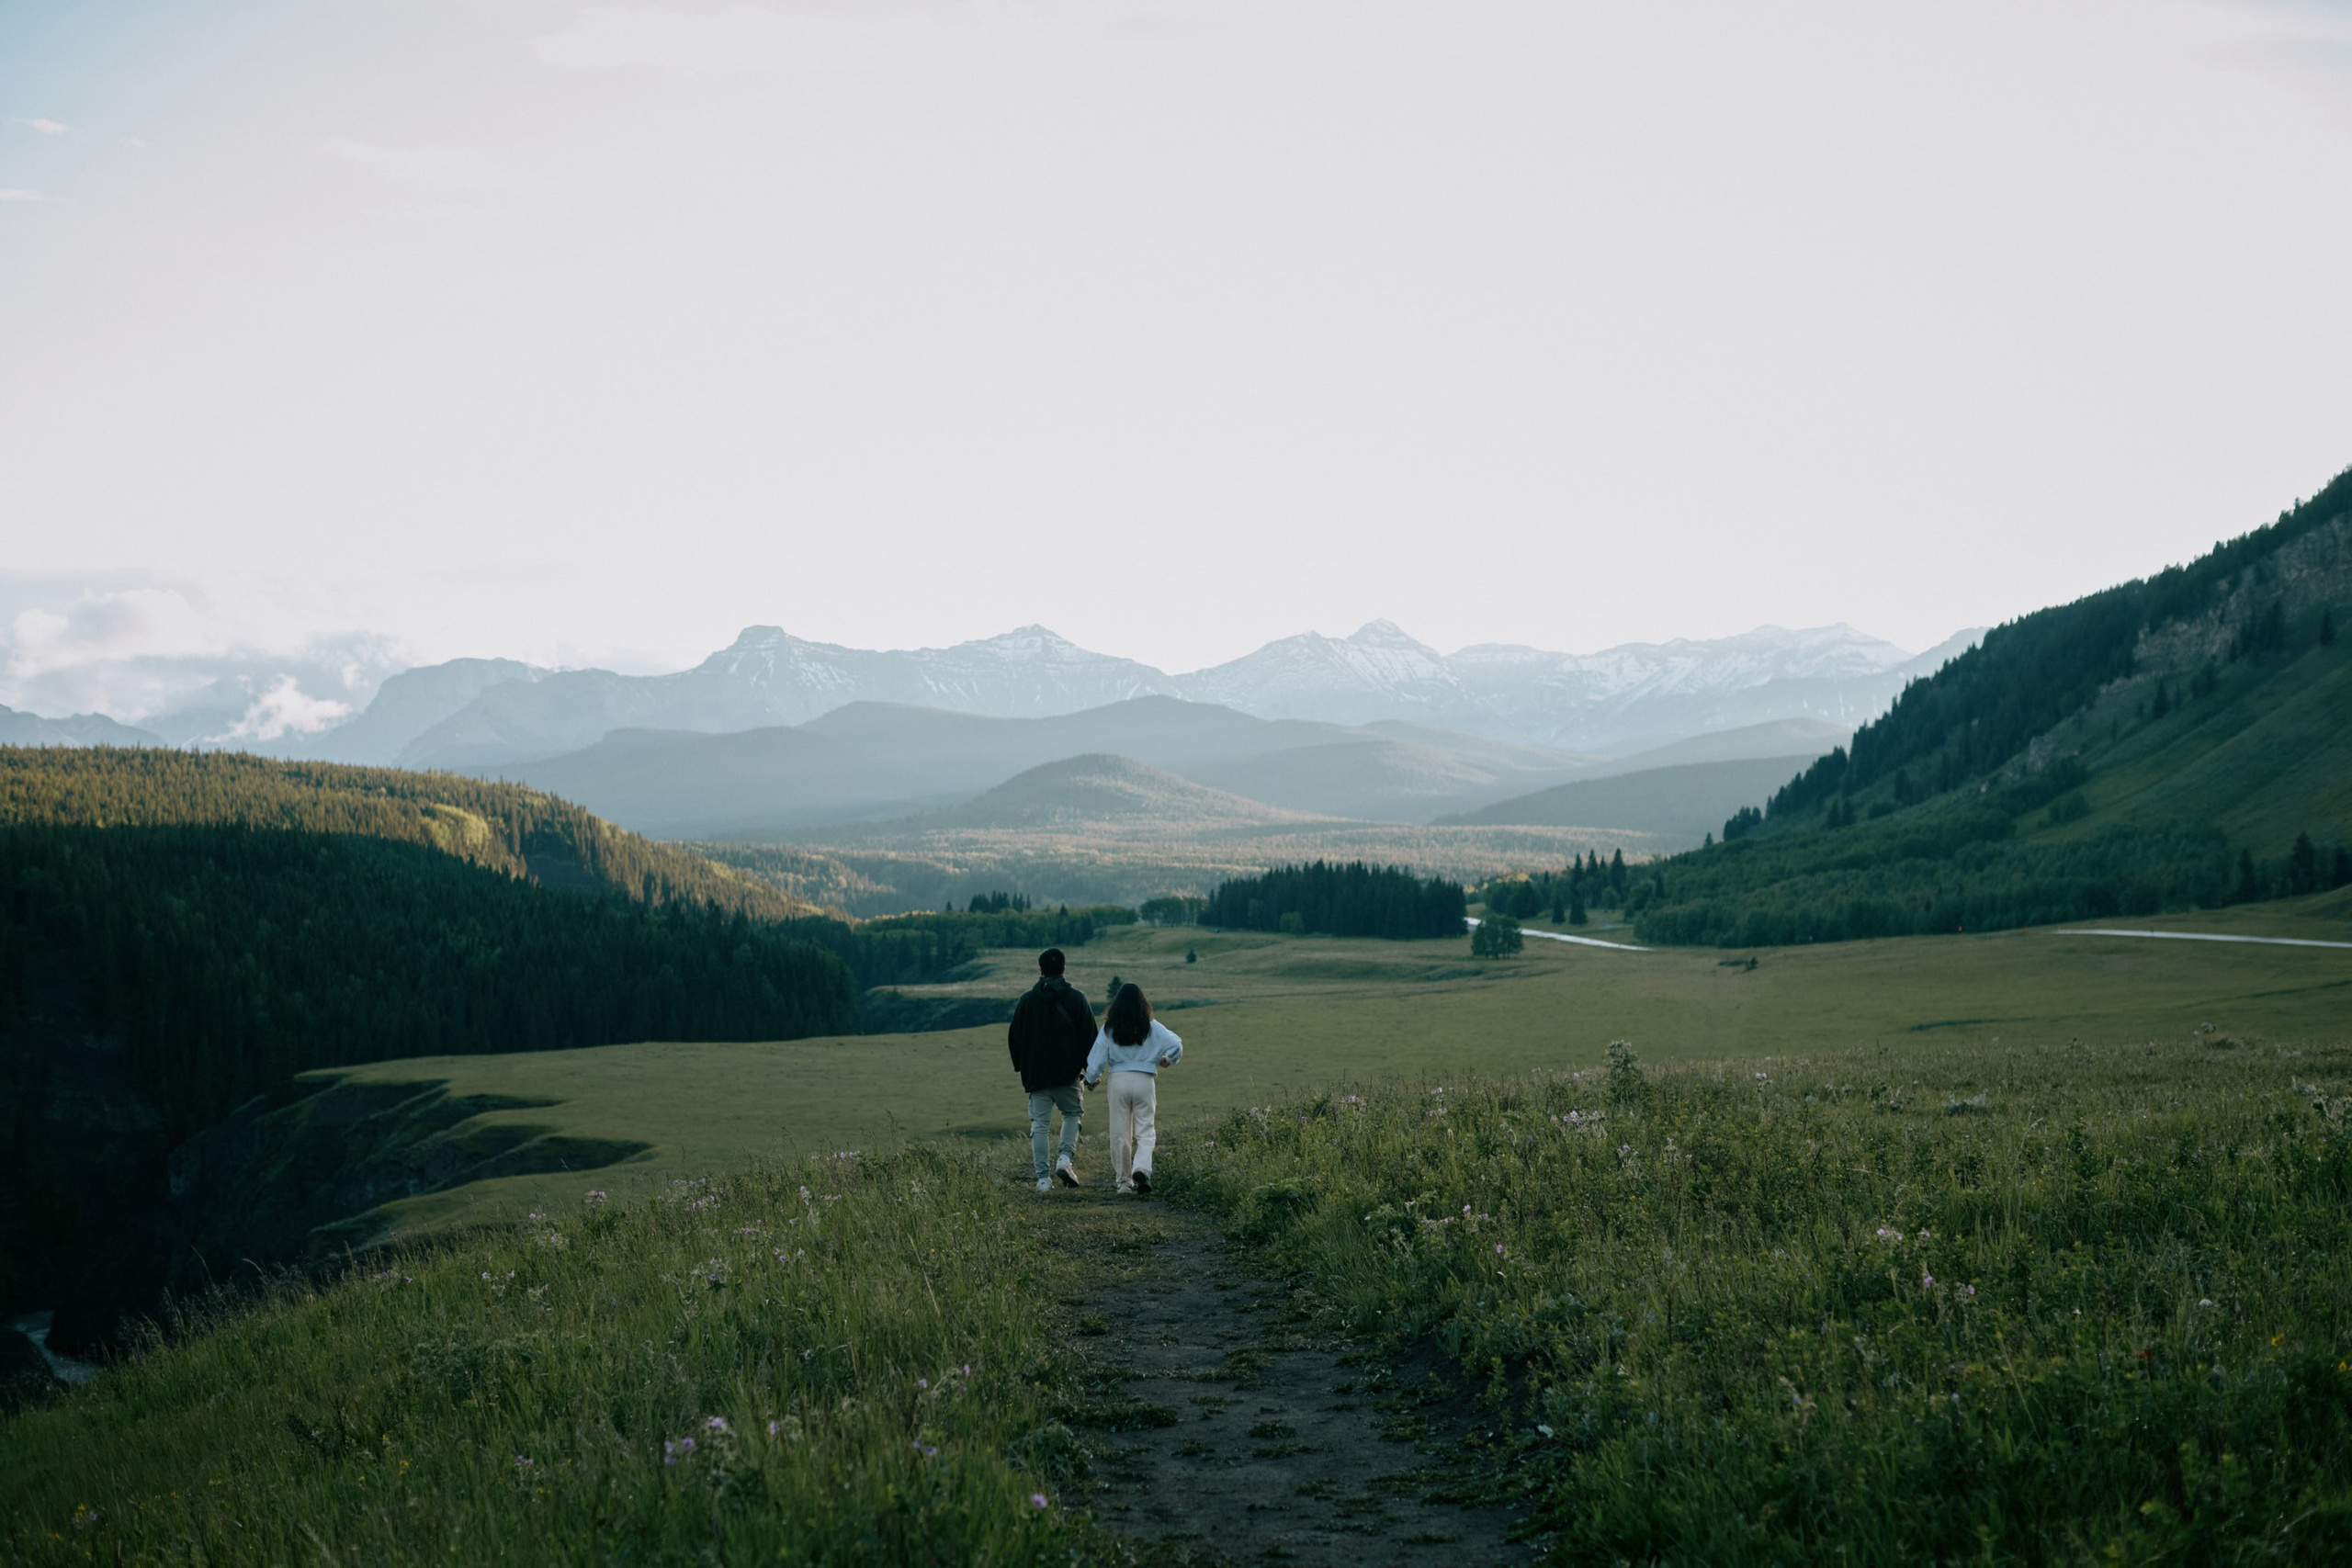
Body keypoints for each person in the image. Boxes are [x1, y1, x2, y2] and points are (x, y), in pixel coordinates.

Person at [1006, 947, 1095, 1193]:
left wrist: (1022, 1067)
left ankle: (1043, 1179)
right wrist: (1092, 1072)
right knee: (1072, 1114)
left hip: (1037, 1075)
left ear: (1040, 969)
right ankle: (1065, 1159)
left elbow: (1014, 1037)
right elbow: (1090, 1037)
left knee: (1040, 1127)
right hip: (1068, 1074)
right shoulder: (1077, 999)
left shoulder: (1026, 1000)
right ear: (1064, 969)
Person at [1084, 982, 1182, 1196]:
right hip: (1145, 1080)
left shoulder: (1110, 1028)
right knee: (1146, 1131)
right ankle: (1142, 1168)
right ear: (1143, 1003)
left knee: (1120, 1132)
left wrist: (1091, 1079)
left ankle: (1124, 1182)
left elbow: (1097, 1058)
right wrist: (1168, 1060)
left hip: (1118, 1080)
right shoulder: (1152, 1026)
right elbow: (1177, 1043)